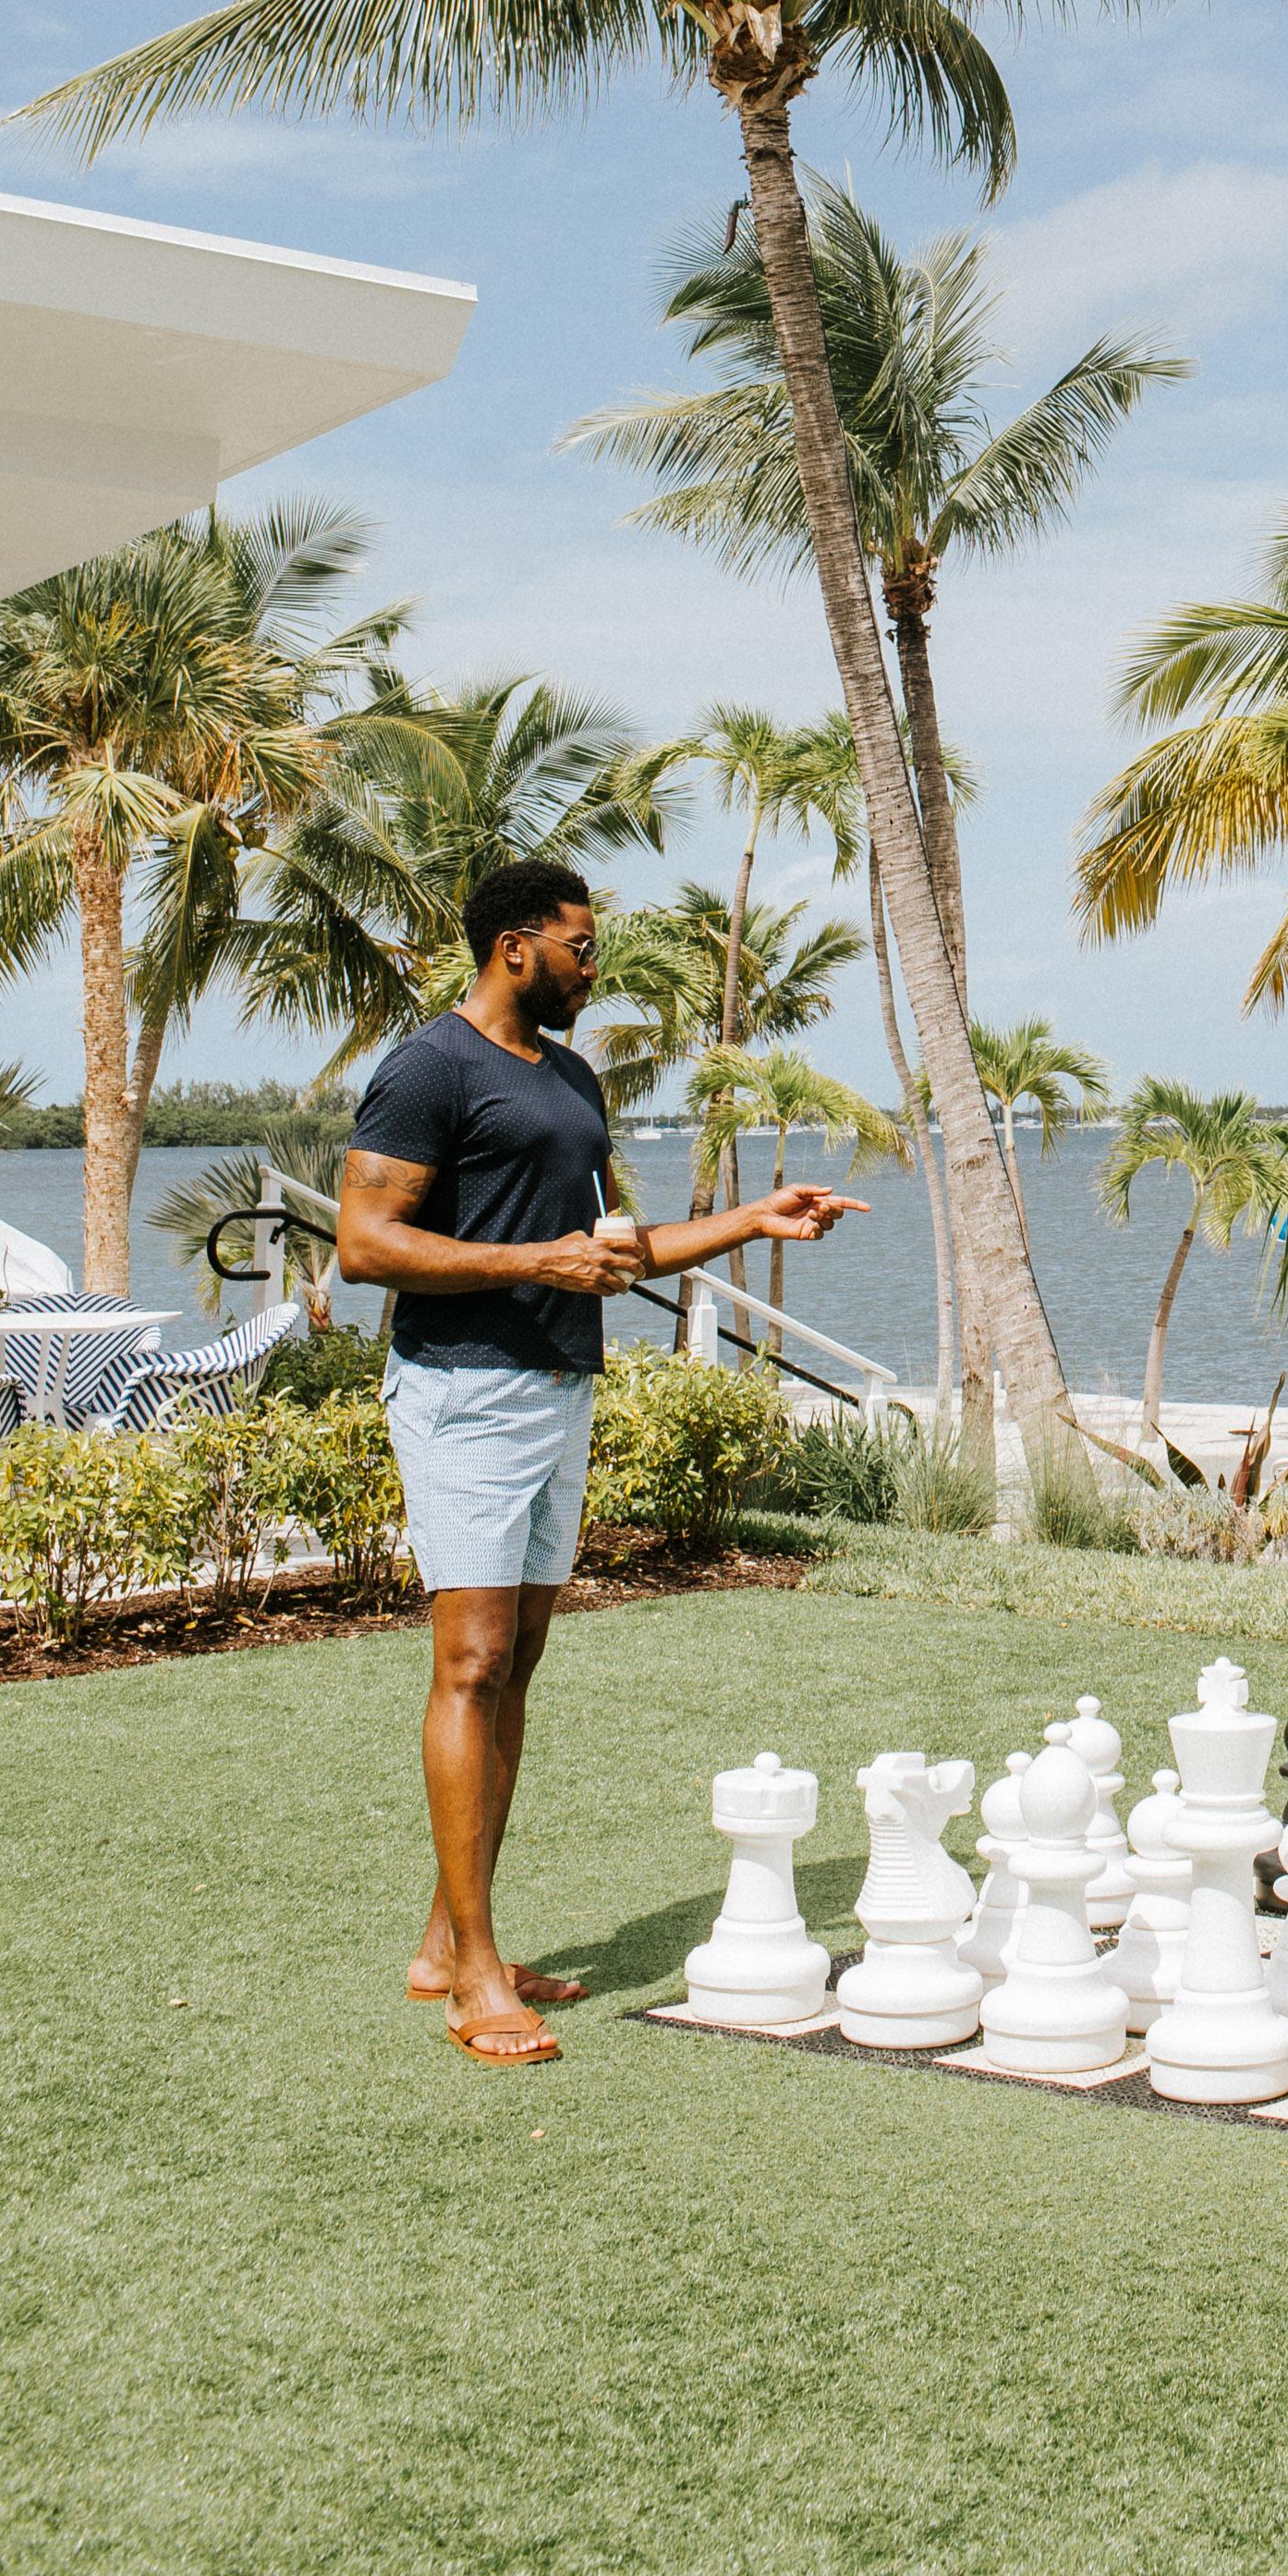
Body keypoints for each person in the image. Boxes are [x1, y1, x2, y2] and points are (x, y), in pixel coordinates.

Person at [335, 860, 870, 2064]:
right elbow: (365, 1244)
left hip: (557, 1387)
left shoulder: (570, 1081)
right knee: (469, 1661)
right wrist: (532, 1264)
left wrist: (750, 1220)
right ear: (516, 946)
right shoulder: (428, 1069)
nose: (596, 966)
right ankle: (475, 1970)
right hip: (463, 1389)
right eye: (582, 946)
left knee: (513, 1661)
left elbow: (609, 1249)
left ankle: (447, 1939)